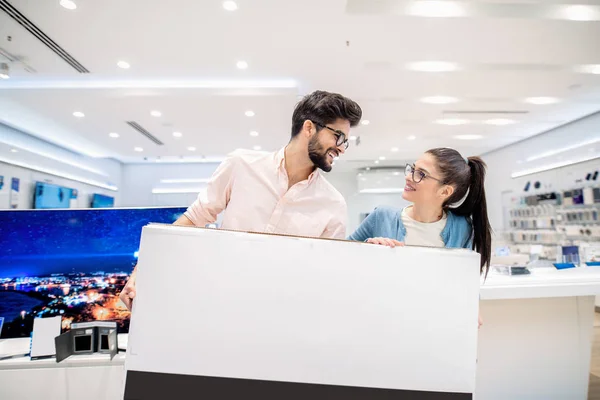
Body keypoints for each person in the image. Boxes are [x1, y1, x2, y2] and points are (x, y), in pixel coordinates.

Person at [119, 90, 362, 310]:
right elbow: (194, 218)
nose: (341, 148)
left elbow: (327, 271)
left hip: (284, 313)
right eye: (338, 137)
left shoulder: (333, 203)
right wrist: (142, 273)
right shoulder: (241, 165)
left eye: (345, 142)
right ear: (309, 128)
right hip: (221, 302)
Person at [348, 148, 491, 328]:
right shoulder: (381, 216)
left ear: (445, 191)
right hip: (385, 323)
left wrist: (472, 306)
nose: (409, 177)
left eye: (421, 174)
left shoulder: (462, 229)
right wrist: (369, 248)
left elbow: (465, 280)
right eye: (412, 169)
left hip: (435, 326)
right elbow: (343, 257)